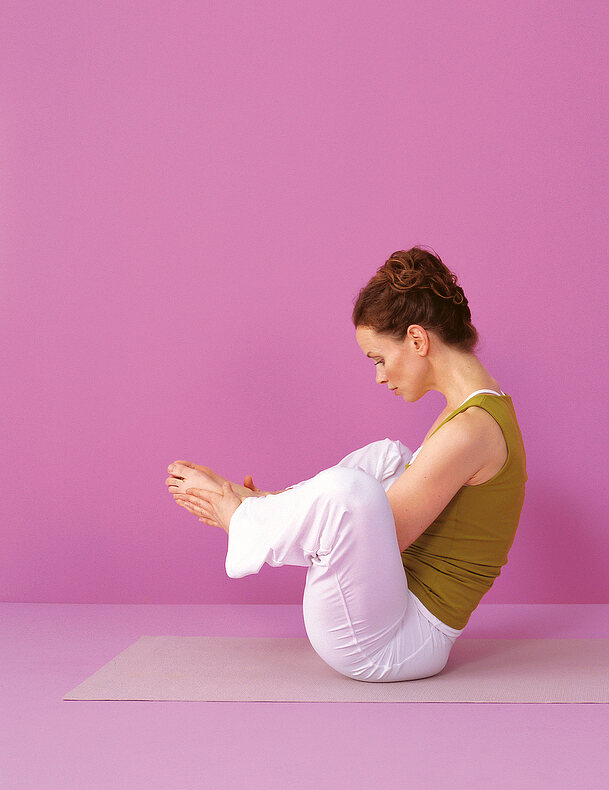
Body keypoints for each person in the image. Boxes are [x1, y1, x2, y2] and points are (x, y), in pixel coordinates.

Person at [164, 246, 527, 682]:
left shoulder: (470, 431)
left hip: (393, 642)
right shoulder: (477, 412)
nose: (379, 376)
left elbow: (375, 534)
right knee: (387, 458)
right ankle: (259, 507)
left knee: (352, 492)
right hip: (390, 613)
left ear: (417, 340)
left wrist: (248, 517)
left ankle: (246, 517)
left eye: (378, 359)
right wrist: (279, 504)